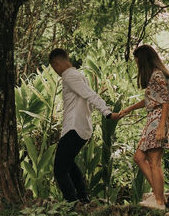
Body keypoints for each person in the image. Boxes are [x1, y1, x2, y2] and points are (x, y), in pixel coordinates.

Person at [48, 48, 117, 204]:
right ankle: (83, 198)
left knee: (60, 170)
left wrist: (106, 111)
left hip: (74, 127)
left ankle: (72, 203)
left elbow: (90, 94)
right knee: (69, 164)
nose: (56, 71)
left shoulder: (69, 76)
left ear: (57, 63)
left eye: (54, 68)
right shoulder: (79, 75)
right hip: (82, 128)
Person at [114, 44, 169, 209]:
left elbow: (165, 102)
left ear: (144, 60)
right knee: (139, 158)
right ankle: (159, 195)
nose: (137, 65)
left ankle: (159, 201)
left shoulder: (158, 75)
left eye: (137, 62)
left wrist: (162, 126)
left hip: (159, 120)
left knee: (154, 161)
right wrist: (129, 108)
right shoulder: (154, 76)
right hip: (153, 119)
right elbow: (151, 100)